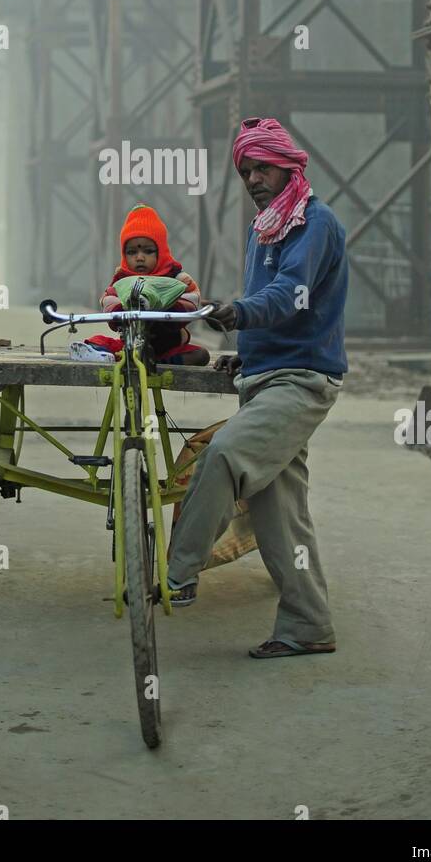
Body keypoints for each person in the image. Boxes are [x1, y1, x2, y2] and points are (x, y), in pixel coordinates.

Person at [166, 116, 348, 658]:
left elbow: (288, 296)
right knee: (280, 513)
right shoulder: (264, 227)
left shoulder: (315, 225)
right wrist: (241, 355)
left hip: (301, 381)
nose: (252, 178)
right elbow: (264, 307)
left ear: (289, 165)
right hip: (265, 378)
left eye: (261, 167)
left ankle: (176, 572)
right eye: (245, 170)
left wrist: (236, 312)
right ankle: (308, 626)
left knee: (223, 455)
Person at [76, 204, 210, 367]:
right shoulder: (122, 279)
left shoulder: (176, 277)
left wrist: (165, 306)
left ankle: (160, 361)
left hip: (166, 344)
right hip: (130, 344)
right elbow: (108, 300)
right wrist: (122, 309)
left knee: (201, 355)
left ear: (161, 251)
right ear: (124, 255)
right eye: (132, 252)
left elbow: (193, 300)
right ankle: (107, 354)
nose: (140, 257)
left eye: (148, 251)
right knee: (97, 341)